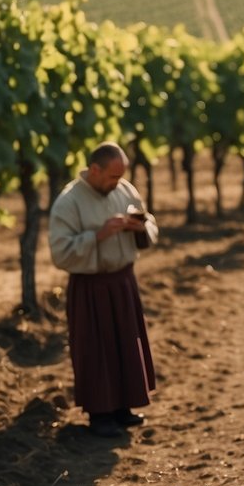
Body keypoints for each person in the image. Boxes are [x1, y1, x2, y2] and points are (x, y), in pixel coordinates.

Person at [49, 142, 159, 438]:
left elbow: (149, 221)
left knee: (124, 343)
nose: (118, 183)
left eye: (120, 176)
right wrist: (99, 235)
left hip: (123, 281)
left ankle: (123, 408)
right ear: (94, 170)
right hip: (90, 286)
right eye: (112, 177)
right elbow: (60, 253)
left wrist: (141, 228)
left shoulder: (124, 189)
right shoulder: (68, 202)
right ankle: (100, 415)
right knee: (96, 349)